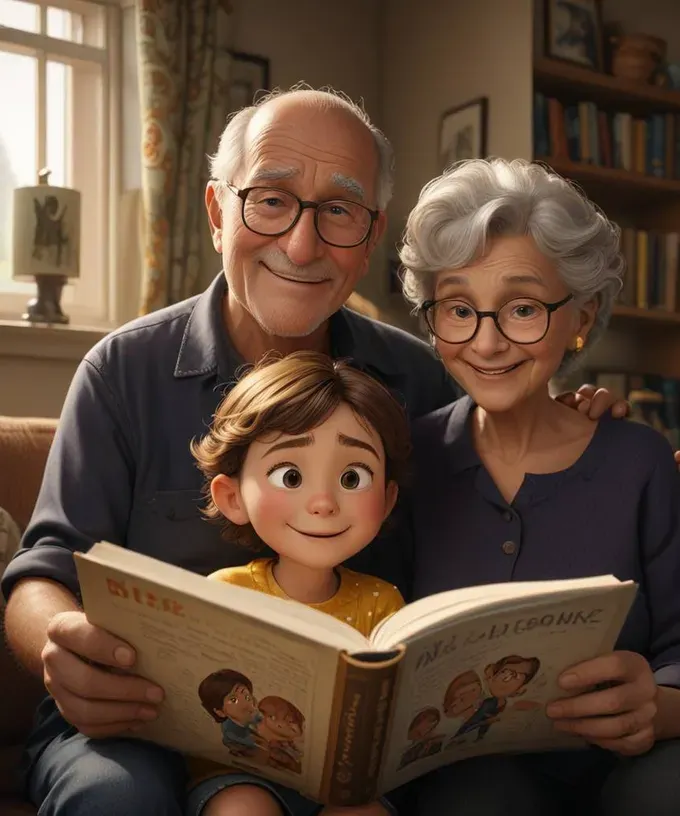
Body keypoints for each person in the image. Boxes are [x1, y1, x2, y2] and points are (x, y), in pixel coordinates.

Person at [0, 86, 625, 816]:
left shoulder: (419, 379)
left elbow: (514, 456)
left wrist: (576, 417)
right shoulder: (123, 371)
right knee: (112, 801)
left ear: (370, 237)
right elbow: (39, 571)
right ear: (215, 212)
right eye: (270, 199)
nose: (301, 244)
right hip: (135, 724)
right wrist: (63, 647)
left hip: (352, 743)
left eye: (339, 211)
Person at [398, 157, 680, 816]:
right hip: (468, 771)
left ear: (579, 316)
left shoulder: (638, 459)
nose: (488, 343)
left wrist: (659, 707)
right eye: (459, 310)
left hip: (631, 763)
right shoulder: (408, 460)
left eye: (522, 308)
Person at [187, 350, 410, 815]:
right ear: (232, 497)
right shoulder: (225, 592)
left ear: (386, 500)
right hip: (239, 771)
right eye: (290, 476)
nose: (324, 502)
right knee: (242, 810)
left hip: (344, 783)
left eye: (353, 476)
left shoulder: (381, 603)